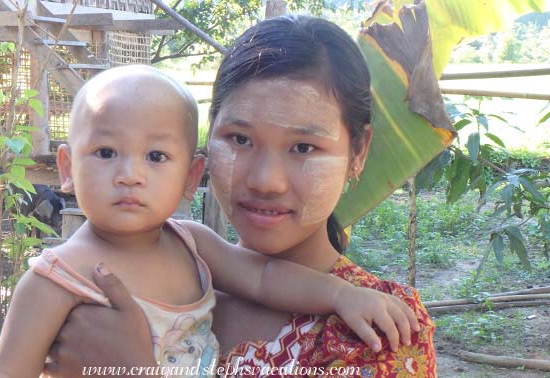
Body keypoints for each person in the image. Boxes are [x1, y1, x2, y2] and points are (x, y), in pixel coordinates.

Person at [43, 15, 437, 378]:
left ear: (359, 151)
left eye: (303, 147)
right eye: (241, 139)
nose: (267, 181)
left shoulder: (376, 330)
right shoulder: (154, 273)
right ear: (208, 136)